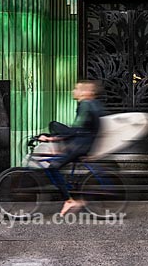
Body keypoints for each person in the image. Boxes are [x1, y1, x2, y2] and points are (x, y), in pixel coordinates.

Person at [38, 80, 104, 216]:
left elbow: (76, 130)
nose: (74, 91)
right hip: (83, 143)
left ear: (86, 92)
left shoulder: (86, 104)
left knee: (52, 167)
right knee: (54, 125)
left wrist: (52, 138)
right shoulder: (92, 104)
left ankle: (69, 199)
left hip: (79, 145)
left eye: (77, 89)